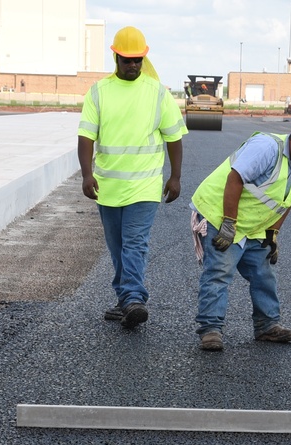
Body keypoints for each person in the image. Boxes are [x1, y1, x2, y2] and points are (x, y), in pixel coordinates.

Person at [190, 111, 291, 351]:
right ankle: (210, 329)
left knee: (263, 273)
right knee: (219, 272)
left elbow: (286, 202)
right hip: (220, 214)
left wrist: (273, 234)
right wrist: (228, 224)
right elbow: (234, 179)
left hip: (252, 225)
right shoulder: (267, 147)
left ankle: (267, 326)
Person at [77, 26, 186, 329]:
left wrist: (175, 177)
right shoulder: (99, 91)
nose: (133, 66)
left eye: (138, 60)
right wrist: (87, 175)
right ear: (116, 57)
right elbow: (86, 136)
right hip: (108, 188)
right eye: (127, 60)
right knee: (117, 247)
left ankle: (134, 298)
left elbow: (174, 137)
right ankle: (125, 299)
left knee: (134, 244)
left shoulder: (157, 93)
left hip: (145, 186)